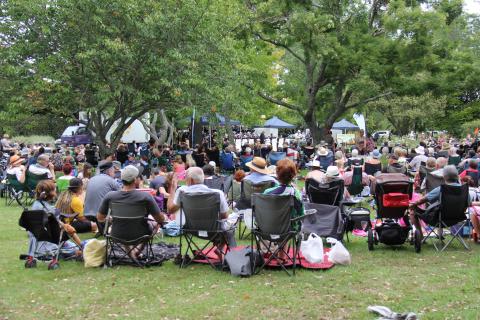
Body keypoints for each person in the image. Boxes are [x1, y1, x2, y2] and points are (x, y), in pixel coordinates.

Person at [97, 165, 166, 259]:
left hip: (117, 234)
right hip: (141, 234)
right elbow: (160, 219)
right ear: (135, 179)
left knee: (125, 224)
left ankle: (131, 253)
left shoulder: (110, 196)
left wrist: (112, 220)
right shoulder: (145, 196)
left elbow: (100, 218)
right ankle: (136, 252)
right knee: (155, 224)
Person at [167, 167, 236, 257]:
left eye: (186, 178)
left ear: (191, 180)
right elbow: (224, 217)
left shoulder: (182, 191)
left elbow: (170, 210)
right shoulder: (218, 193)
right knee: (232, 224)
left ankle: (220, 246)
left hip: (190, 229)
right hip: (214, 231)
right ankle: (220, 248)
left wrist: (172, 189)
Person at [409, 165, 468, 239]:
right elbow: (468, 204)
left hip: (439, 219)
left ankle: (420, 236)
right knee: (439, 208)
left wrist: (413, 204)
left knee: (413, 211)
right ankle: (439, 234)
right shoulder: (464, 190)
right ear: (457, 176)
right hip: (458, 218)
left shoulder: (441, 189)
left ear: (444, 177)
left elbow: (422, 200)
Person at [30, 180, 82, 250]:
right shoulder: (48, 209)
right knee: (70, 229)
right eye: (54, 190)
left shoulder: (36, 204)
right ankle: (82, 247)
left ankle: (79, 247)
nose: (56, 192)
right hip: (50, 244)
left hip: (37, 243)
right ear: (50, 193)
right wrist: (65, 225)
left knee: (67, 229)